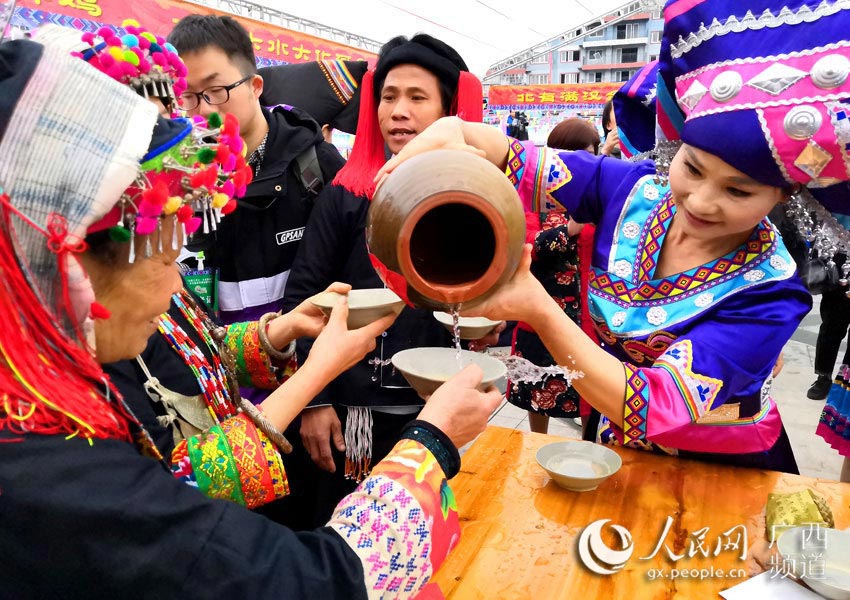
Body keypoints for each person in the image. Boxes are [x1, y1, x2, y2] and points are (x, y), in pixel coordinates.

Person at [0, 27, 502, 596]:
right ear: (70, 253)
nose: (175, 288)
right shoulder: (49, 461)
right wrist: (427, 442)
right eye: (165, 252)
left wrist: (280, 331)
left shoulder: (50, 347)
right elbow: (301, 578)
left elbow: (193, 354)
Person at [377, 0, 850, 474]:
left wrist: (539, 310)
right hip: (612, 453)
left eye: (738, 190)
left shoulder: (770, 294)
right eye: (692, 168)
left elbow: (652, 406)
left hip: (725, 471)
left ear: (785, 194)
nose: (702, 202)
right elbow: (509, 155)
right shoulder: (630, 189)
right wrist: (454, 130)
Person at [281, 33, 490, 527]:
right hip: (351, 414)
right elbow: (304, 295)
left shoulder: (471, 200)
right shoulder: (347, 194)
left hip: (434, 409)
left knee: (424, 533)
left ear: (449, 112)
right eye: (389, 96)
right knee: (347, 541)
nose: (398, 111)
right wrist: (316, 400)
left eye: (417, 98)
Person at [167, 15, 345, 327]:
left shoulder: (316, 166)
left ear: (255, 86)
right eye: (189, 96)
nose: (205, 109)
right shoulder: (175, 185)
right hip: (220, 365)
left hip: (314, 357)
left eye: (217, 89)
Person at [507, 118, 600, 434]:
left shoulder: (598, 197)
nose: (583, 163)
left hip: (589, 316)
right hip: (542, 314)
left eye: (591, 154)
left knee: (592, 389)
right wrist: (570, 228)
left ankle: (590, 451)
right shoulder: (534, 197)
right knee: (540, 392)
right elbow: (528, 248)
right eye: (576, 154)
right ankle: (536, 450)